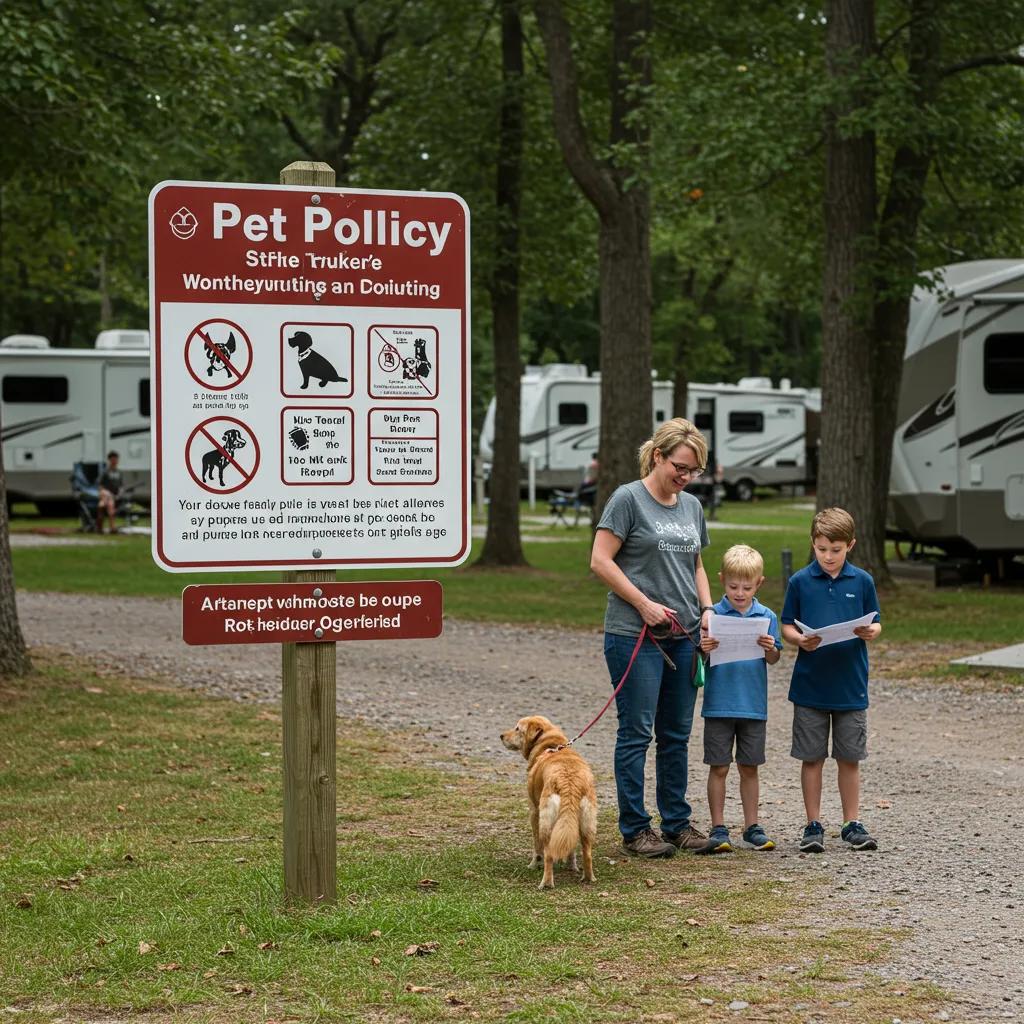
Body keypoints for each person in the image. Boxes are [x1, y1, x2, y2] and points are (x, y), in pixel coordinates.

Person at [591, 418, 714, 858]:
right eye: (680, 466)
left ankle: (677, 822)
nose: (685, 476)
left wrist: (707, 611)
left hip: (683, 636)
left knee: (676, 734)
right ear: (658, 456)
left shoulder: (691, 507)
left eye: (694, 470)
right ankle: (636, 829)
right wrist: (643, 604)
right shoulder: (627, 499)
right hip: (635, 635)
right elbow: (601, 561)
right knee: (637, 732)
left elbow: (696, 564)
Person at [780, 507, 882, 853]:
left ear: (850, 545)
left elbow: (877, 621)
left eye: (835, 550)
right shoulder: (800, 581)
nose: (828, 557)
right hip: (810, 687)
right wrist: (798, 639)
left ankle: (851, 822)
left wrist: (871, 631)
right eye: (822, 549)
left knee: (849, 757)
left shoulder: (863, 581)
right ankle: (813, 824)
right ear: (813, 543)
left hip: (850, 686)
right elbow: (787, 624)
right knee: (812, 757)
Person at [697, 544, 782, 854]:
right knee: (718, 766)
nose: (740, 592)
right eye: (733, 586)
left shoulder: (767, 615)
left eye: (747, 587)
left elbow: (773, 659)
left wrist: (770, 646)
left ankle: (751, 826)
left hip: (753, 706)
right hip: (719, 705)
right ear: (722, 581)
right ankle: (718, 827)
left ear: (759, 583)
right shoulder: (712, 615)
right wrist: (705, 648)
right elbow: (701, 663)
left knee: (750, 766)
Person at [97, 450, 123, 534]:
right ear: (109, 460)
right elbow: (100, 486)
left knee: (101, 505)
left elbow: (121, 486)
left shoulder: (119, 472)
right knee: (109, 501)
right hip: (105, 494)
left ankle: (100, 528)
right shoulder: (105, 472)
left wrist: (120, 493)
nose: (115, 461)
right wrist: (105, 493)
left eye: (116, 459)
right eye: (113, 459)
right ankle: (112, 527)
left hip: (114, 496)